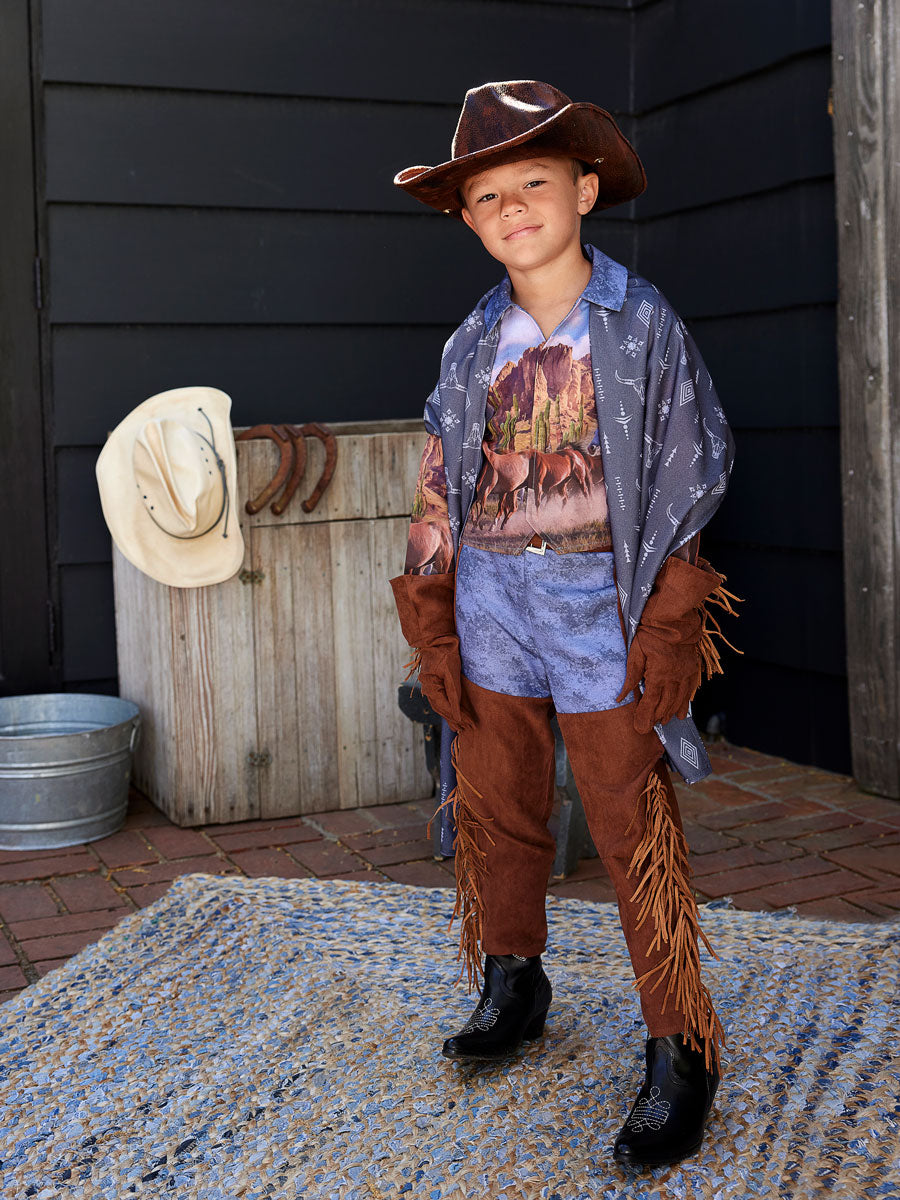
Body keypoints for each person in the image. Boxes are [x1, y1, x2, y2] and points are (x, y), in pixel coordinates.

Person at [389, 80, 740, 1170]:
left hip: (598, 598)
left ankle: (679, 1043)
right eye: (487, 195)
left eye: (533, 183)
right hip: (494, 594)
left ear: (586, 189)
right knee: (495, 798)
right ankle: (514, 977)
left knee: (630, 814)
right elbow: (441, 481)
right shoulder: (470, 345)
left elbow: (689, 470)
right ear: (468, 219)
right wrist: (432, 619)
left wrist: (676, 611)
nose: (511, 207)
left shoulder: (642, 327)